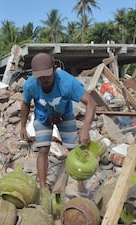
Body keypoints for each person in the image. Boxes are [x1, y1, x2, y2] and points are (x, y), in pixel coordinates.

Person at [20, 52, 96, 193]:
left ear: (54, 69)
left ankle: (80, 185)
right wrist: (22, 126)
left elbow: (91, 103)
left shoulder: (67, 82)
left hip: (64, 116)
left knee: (75, 149)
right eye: (40, 77)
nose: (44, 80)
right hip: (43, 117)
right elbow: (25, 104)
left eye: (47, 76)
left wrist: (85, 129)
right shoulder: (30, 85)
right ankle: (43, 188)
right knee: (43, 150)